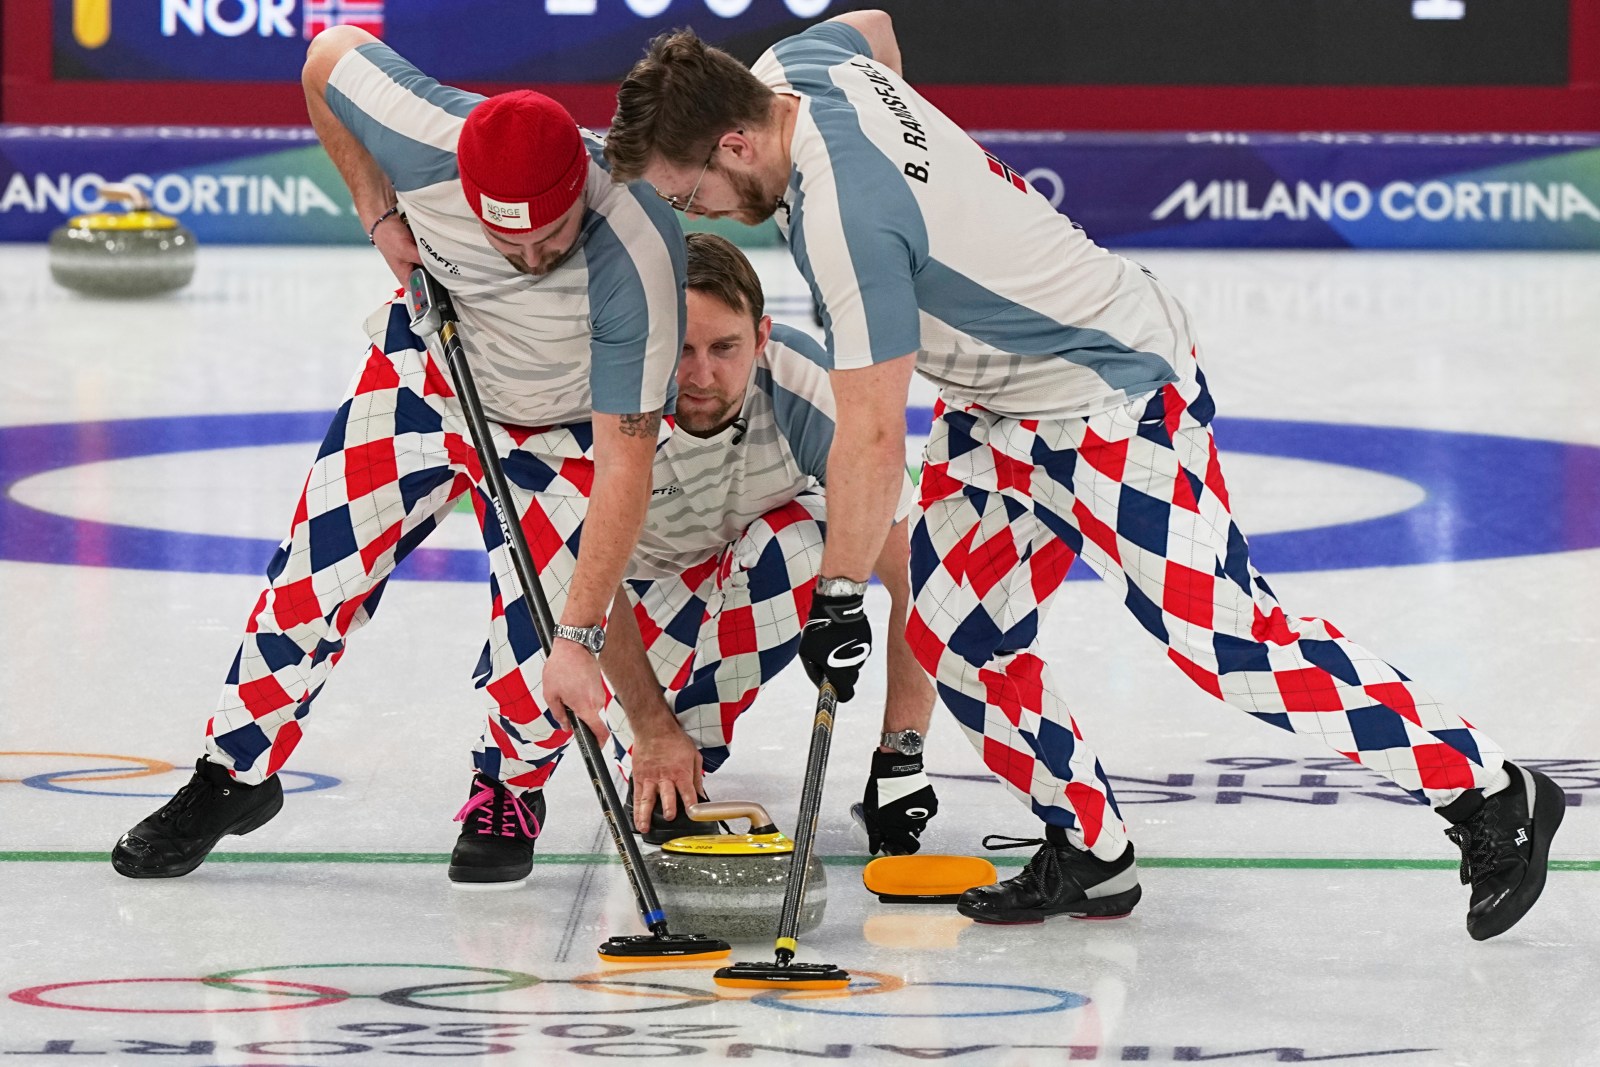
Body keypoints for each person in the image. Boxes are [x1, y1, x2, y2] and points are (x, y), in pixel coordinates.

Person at [600, 12, 1566, 939]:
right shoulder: (798, 67)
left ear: (733, 143)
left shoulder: (846, 221)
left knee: (1226, 638)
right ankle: (1090, 845)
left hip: (1113, 396)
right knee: (953, 635)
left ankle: (1489, 792)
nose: (695, 219)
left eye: (688, 197)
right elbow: (879, 27)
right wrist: (943, 192)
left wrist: (841, 593)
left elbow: (869, 438)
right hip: (997, 406)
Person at [112, 27, 685, 887]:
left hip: (563, 427)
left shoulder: (638, 244)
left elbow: (626, 462)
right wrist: (376, 209)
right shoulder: (425, 134)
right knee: (312, 577)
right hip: (426, 374)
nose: (532, 259)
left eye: (551, 239)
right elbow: (323, 59)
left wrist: (579, 632)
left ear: (584, 190)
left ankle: (510, 789)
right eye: (507, 240)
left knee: (543, 649)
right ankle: (231, 774)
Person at [601, 232, 938, 855]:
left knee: (809, 543)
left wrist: (902, 753)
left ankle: (683, 780)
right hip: (613, 614)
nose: (701, 376)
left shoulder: (801, 380)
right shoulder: (612, 391)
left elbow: (919, 574)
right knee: (535, 659)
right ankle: (509, 783)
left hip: (734, 583)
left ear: (761, 338)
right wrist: (648, 723)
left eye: (725, 347)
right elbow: (566, 577)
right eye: (681, 350)